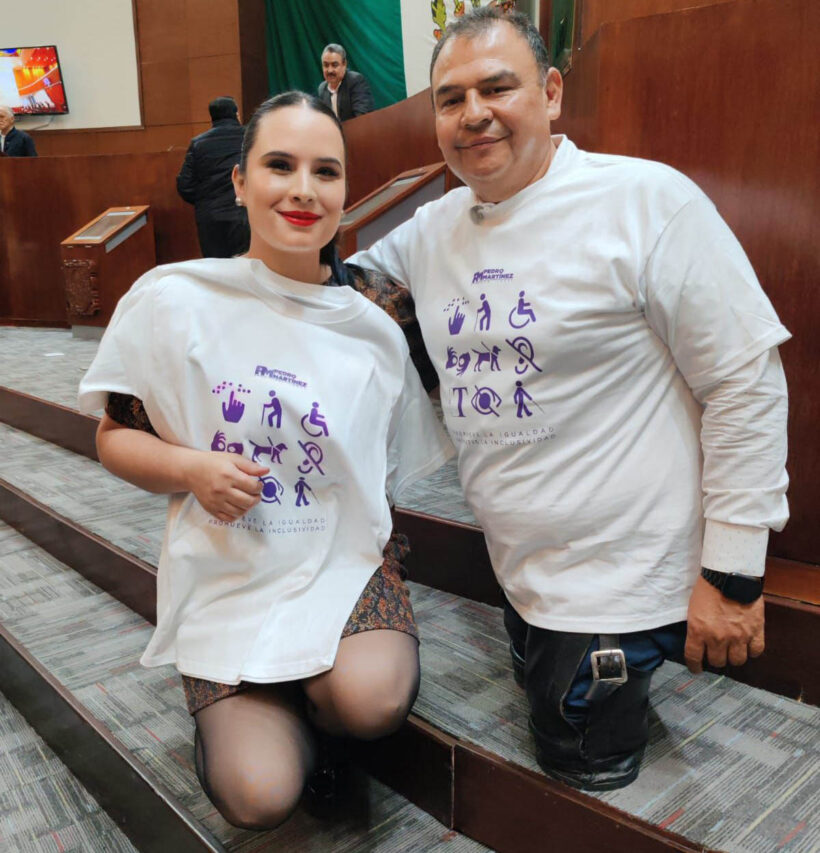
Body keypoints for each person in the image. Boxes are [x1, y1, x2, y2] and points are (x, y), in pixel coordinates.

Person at [351, 8, 789, 791]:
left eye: (497, 88)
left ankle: (630, 661)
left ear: (551, 93)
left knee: (577, 754)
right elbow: (338, 300)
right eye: (451, 99)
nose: (474, 113)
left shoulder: (647, 202)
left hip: (619, 568)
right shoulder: (432, 228)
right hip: (521, 558)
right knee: (538, 677)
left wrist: (734, 575)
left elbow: (745, 382)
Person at [79, 92, 453, 829]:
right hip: (229, 572)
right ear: (240, 181)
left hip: (338, 563)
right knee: (258, 793)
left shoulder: (377, 313)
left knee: (371, 700)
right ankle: (257, 706)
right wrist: (190, 470)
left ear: (345, 189)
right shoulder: (174, 300)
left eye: (326, 171)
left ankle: (319, 706)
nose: (303, 190)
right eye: (280, 165)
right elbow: (113, 437)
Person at [176, 96, 249, 258]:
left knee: (215, 267)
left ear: (212, 117)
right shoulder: (250, 138)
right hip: (244, 214)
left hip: (210, 218)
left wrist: (205, 200)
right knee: (246, 265)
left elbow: (184, 185)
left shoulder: (198, 143)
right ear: (236, 114)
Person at [317, 44, 374, 120]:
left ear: (344, 64)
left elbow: (362, 118)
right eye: (326, 65)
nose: (330, 70)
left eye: (334, 65)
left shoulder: (355, 81)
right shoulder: (322, 89)